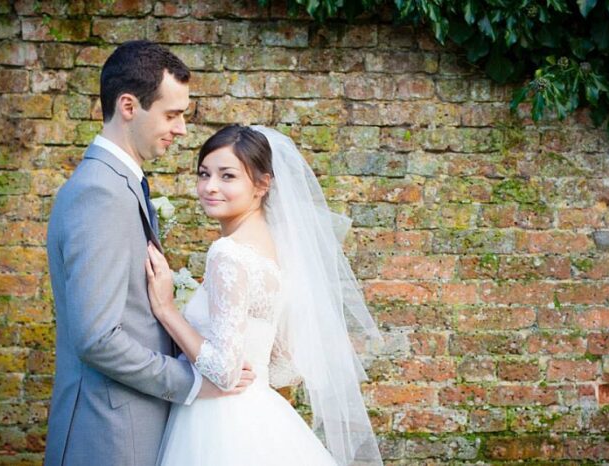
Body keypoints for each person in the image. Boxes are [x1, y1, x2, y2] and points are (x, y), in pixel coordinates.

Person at [44, 41, 254, 466]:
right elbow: (97, 337)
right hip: (107, 435)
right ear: (128, 106)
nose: (180, 129)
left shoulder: (120, 184)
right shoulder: (99, 194)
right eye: (172, 114)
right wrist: (191, 381)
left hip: (128, 426)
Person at [145, 125, 384, 465]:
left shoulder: (228, 253)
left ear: (262, 184)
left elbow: (225, 372)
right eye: (204, 174)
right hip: (260, 411)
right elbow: (284, 362)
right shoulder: (276, 249)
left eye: (228, 176)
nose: (210, 186)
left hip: (219, 422)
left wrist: (167, 309)